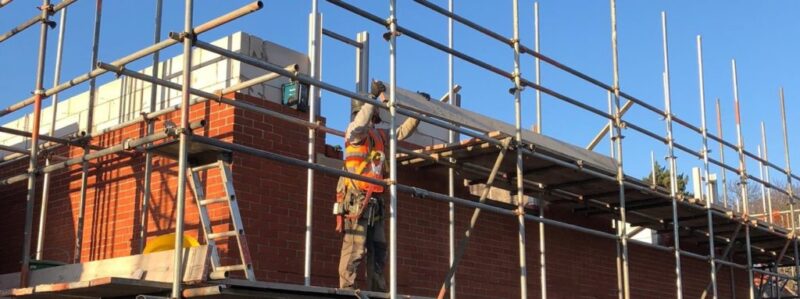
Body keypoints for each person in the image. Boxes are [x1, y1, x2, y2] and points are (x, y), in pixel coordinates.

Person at [334, 80, 421, 291]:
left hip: (375, 202)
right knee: (355, 247)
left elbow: (400, 132)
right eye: (370, 113)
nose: (373, 119)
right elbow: (362, 122)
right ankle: (347, 290)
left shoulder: (379, 136)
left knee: (378, 249)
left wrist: (418, 114)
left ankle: (378, 291)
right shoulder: (353, 131)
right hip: (357, 200)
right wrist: (372, 99)